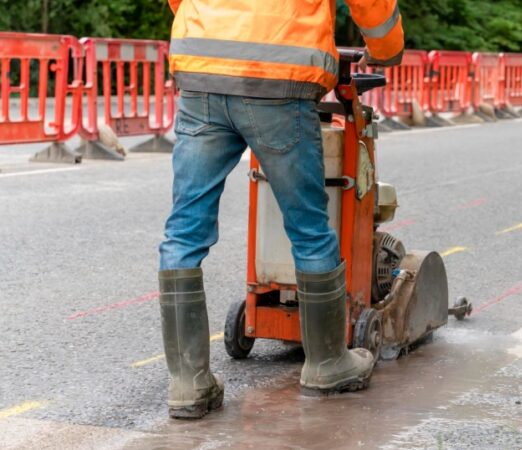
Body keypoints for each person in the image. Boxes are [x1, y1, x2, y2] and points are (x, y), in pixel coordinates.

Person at [158, 0, 404, 419]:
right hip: (278, 79)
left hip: (202, 72)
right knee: (309, 225)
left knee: (184, 231)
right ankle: (327, 363)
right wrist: (385, 49)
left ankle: (188, 384)